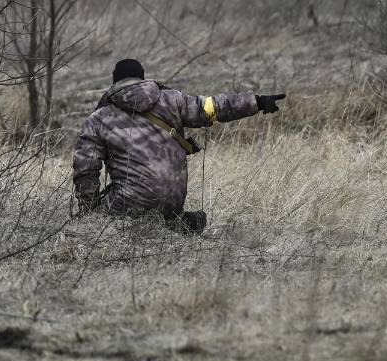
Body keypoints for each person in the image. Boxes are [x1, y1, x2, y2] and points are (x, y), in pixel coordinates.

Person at [72, 58, 285, 233]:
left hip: (129, 203)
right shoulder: (172, 100)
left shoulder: (99, 117)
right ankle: (172, 222)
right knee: (159, 216)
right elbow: (210, 107)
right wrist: (255, 101)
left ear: (115, 81)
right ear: (142, 78)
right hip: (172, 200)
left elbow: (86, 169)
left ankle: (153, 227)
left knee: (101, 218)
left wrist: (88, 212)